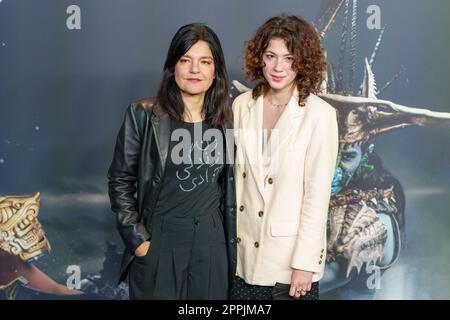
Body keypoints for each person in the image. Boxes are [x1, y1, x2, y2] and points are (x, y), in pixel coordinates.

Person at [107, 23, 236, 300]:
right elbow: (120, 181)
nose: (194, 70)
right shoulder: (143, 114)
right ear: (172, 67)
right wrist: (139, 242)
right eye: (185, 60)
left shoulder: (228, 120)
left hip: (212, 243)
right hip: (160, 241)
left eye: (205, 62)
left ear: (215, 71)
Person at [231, 15, 339, 300]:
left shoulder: (320, 115)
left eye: (289, 58)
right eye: (271, 56)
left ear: (303, 63)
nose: (279, 67)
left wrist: (304, 264)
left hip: (290, 266)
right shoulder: (242, 105)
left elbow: (317, 196)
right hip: (243, 258)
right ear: (260, 59)